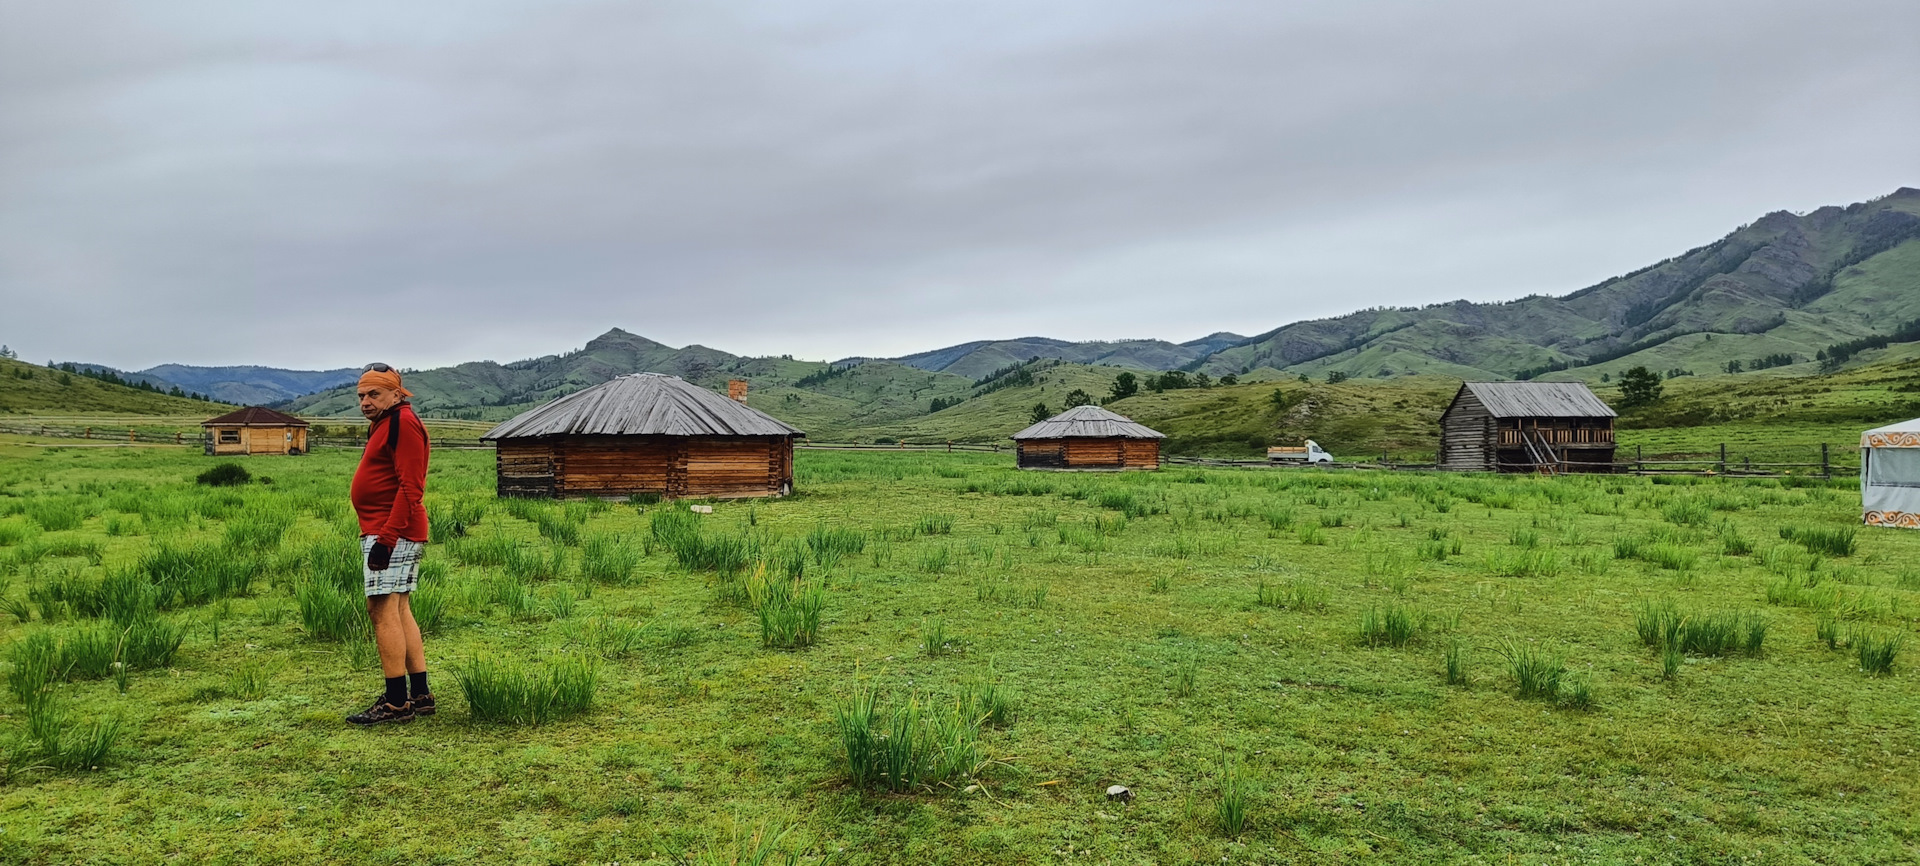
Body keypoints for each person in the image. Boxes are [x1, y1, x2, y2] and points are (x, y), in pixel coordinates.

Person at [345, 363, 433, 725]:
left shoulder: (402, 423)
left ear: (397, 394)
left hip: (391, 530)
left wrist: (386, 539)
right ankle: (420, 695)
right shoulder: (386, 423)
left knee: (380, 609)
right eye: (362, 395)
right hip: (390, 529)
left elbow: (411, 487)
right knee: (398, 609)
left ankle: (397, 703)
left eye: (374, 394)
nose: (365, 401)